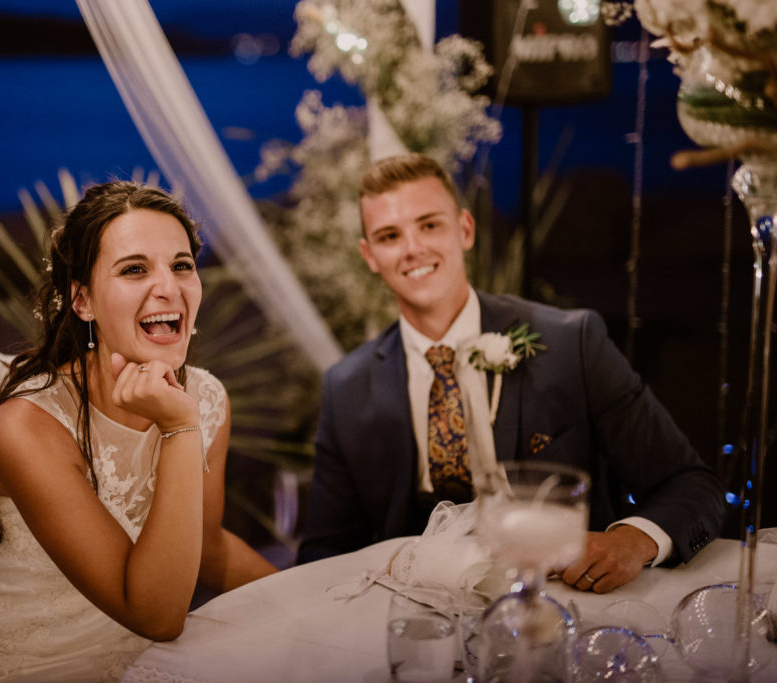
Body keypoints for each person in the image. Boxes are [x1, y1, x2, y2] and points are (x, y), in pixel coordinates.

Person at [297, 153, 726, 594]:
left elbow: (692, 484)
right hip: (417, 627)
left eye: (429, 225)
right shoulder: (346, 386)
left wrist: (633, 541)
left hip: (569, 605)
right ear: (370, 255)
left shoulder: (571, 343)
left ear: (464, 229)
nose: (413, 248)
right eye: (390, 236)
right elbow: (324, 555)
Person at [0, 181, 277, 682]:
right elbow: (156, 616)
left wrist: (318, 597)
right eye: (135, 269)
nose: (169, 287)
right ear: (83, 301)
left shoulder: (209, 397)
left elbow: (209, 548)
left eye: (182, 265)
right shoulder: (26, 427)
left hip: (143, 664)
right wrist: (178, 428)